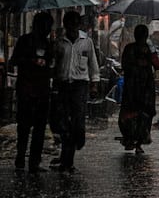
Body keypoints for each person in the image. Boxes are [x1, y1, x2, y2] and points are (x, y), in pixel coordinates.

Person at [53, 11, 100, 172]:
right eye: (69, 24)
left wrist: (94, 84)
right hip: (63, 85)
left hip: (80, 86)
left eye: (75, 23)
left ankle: (75, 146)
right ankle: (67, 161)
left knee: (77, 123)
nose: (72, 27)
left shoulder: (86, 41)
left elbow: (93, 64)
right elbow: (54, 65)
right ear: (65, 25)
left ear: (79, 25)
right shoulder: (59, 42)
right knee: (64, 124)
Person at [12, 11, 54, 172]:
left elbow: (51, 63)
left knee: (40, 127)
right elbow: (14, 60)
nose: (47, 30)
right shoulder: (24, 41)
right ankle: (21, 157)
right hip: (26, 89)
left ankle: (34, 161)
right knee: (23, 126)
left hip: (42, 90)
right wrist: (31, 60)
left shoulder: (48, 44)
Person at [119, 24, 159, 153]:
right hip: (143, 88)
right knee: (144, 114)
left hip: (132, 88)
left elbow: (124, 65)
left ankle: (130, 140)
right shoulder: (148, 49)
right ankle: (138, 142)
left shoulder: (129, 48)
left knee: (132, 113)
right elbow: (157, 65)